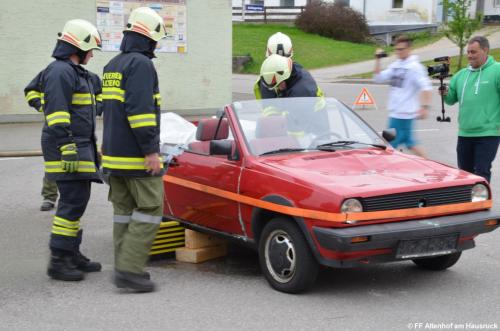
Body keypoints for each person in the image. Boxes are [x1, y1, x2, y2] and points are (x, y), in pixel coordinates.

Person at [101, 7, 166, 292]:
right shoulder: (141, 65)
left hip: (114, 155)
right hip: (135, 156)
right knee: (151, 208)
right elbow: (140, 112)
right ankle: (129, 270)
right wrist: (151, 151)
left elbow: (108, 111)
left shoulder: (112, 65)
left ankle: (123, 265)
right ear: (149, 37)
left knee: (123, 212)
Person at [33, 19, 103, 281]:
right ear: (80, 46)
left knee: (78, 201)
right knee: (72, 202)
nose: (92, 55)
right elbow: (58, 113)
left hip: (79, 145)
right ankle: (59, 261)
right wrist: (68, 146)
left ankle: (72, 253)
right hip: (67, 147)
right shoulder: (60, 72)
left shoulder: (75, 72)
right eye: (91, 49)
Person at [25, 71, 103, 212]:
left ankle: (78, 195)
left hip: (83, 129)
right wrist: (43, 106)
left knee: (89, 161)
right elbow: (31, 91)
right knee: (56, 165)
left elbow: (101, 94)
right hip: (58, 127)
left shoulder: (90, 77)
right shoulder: (51, 74)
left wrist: (95, 108)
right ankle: (49, 196)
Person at [441, 36, 500, 183]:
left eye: (473, 52)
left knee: (481, 171)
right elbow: (450, 100)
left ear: (485, 50)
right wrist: (445, 94)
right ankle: (468, 203)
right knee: (464, 173)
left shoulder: (497, 70)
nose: (469, 55)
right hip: (465, 133)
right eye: (468, 52)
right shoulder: (461, 75)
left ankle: (480, 202)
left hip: (488, 133)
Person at [374, 35, 432, 158]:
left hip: (403, 115)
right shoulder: (395, 65)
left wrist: (425, 107)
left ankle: (386, 171)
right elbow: (378, 78)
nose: (398, 52)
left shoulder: (415, 67)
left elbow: (426, 87)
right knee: (410, 144)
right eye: (396, 49)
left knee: (388, 146)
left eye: (401, 49)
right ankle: (430, 167)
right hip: (396, 113)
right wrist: (378, 60)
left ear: (409, 49)